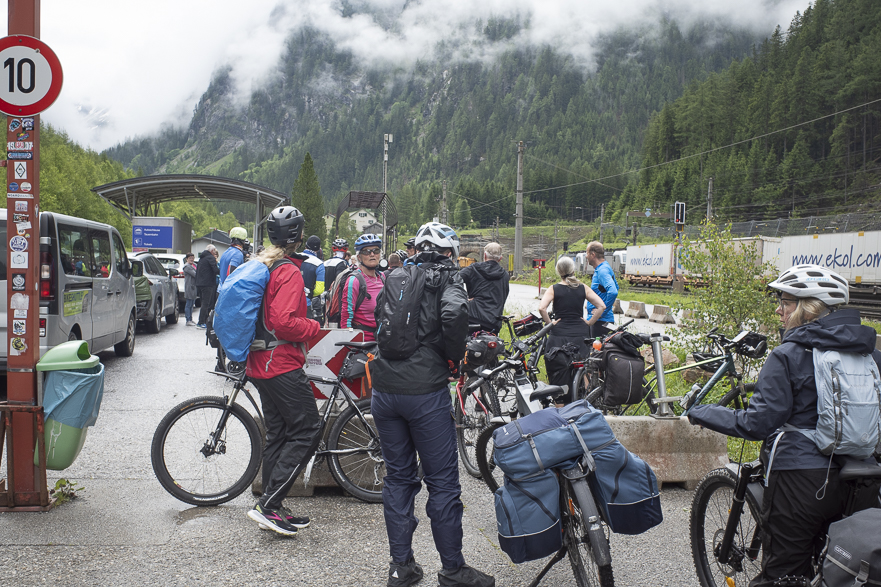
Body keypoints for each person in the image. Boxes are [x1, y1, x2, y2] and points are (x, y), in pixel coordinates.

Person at [688, 264, 881, 586]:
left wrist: (703, 412)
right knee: (845, 566)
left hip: (802, 481)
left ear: (810, 309)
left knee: (784, 573)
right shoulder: (872, 356)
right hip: (864, 477)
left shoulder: (788, 354)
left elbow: (758, 423)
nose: (779, 310)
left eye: (786, 302)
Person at [369, 222, 495, 587]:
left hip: (385, 390)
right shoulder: (449, 277)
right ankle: (453, 570)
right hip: (423, 392)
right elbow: (455, 316)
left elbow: (380, 318)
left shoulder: (396, 274)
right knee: (441, 483)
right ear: (449, 252)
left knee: (398, 478)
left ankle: (401, 567)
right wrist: (454, 358)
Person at [245, 206, 322, 536]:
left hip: (260, 364)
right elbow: (283, 322)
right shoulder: (288, 271)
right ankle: (269, 504)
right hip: (281, 365)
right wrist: (314, 327)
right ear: (300, 236)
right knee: (308, 429)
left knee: (278, 433)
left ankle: (271, 506)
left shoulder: (263, 264)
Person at [538, 256, 606, 388]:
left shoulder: (553, 288)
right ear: (573, 270)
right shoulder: (583, 287)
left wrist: (550, 324)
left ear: (558, 271)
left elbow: (542, 308)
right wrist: (589, 322)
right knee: (584, 369)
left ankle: (561, 401)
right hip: (580, 335)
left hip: (558, 335)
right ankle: (584, 399)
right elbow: (601, 306)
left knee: (558, 370)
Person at [340, 234, 385, 341]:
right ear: (359, 257)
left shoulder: (382, 277)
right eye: (366, 252)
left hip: (383, 342)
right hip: (363, 344)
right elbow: (346, 319)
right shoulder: (354, 281)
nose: (372, 254)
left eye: (376, 251)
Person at [459, 242, 509, 334]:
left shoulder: (473, 269)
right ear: (500, 258)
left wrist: (463, 299)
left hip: (472, 318)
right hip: (493, 322)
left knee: (466, 346)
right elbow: (503, 297)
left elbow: (454, 280)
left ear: (485, 255)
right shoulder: (505, 275)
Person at [583, 241, 618, 339]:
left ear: (592, 254)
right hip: (602, 321)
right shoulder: (604, 268)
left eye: (587, 253)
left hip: (600, 322)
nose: (586, 256)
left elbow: (613, 291)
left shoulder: (602, 271)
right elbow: (616, 287)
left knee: (596, 352)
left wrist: (602, 311)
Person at [301, 235, 326, 320]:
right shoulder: (319, 264)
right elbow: (319, 289)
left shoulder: (294, 257)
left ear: (305, 245)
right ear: (318, 249)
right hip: (306, 303)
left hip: (290, 302)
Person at [195, 244, 219, 328]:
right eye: (214, 251)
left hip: (199, 284)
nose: (215, 253)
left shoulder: (202, 258)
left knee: (203, 303)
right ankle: (201, 322)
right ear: (212, 251)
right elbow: (215, 270)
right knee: (206, 304)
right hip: (208, 284)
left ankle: (203, 321)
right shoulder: (210, 258)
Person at [182, 252, 198, 326]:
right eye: (190, 258)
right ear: (187, 259)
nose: (192, 259)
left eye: (192, 258)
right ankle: (188, 320)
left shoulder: (194, 265)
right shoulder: (187, 267)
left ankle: (190, 319)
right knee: (189, 304)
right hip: (189, 287)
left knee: (192, 304)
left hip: (194, 287)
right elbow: (195, 274)